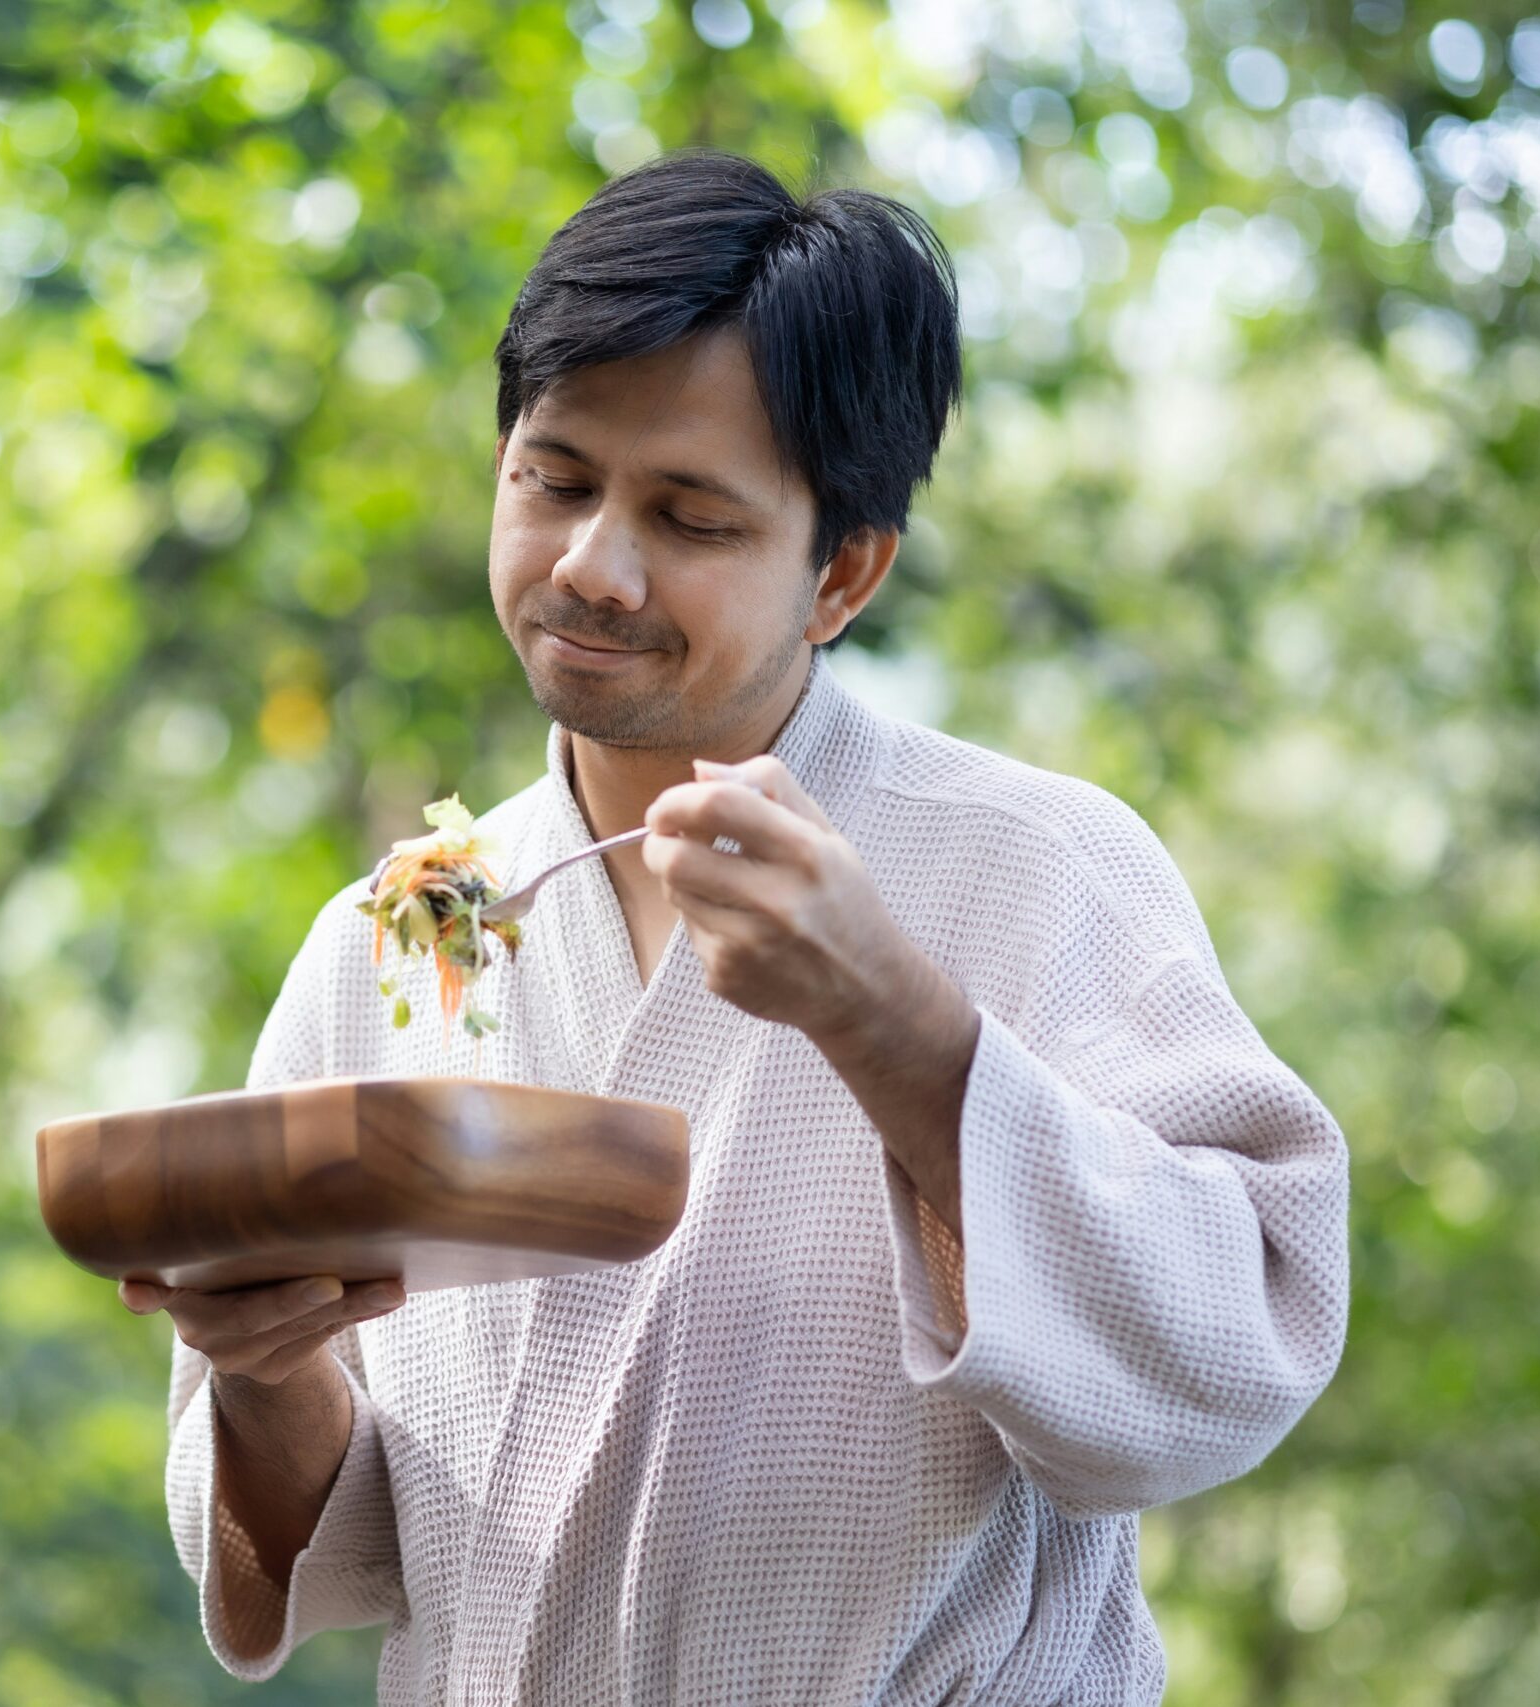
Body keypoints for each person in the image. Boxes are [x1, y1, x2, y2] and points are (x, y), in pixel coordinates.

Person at [117, 149, 1349, 1704]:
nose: (591, 565)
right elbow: (315, 1563)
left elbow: (1232, 1354)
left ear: (841, 572)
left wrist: (894, 1020)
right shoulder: (399, 936)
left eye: (688, 517)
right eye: (554, 479)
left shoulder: (1039, 869)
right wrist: (265, 1363)